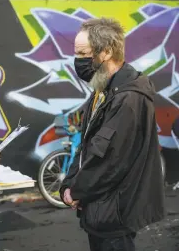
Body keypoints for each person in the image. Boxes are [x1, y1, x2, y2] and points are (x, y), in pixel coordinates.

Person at [59, 18, 165, 251]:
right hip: (100, 209)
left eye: (82, 53)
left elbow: (110, 162)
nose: (77, 60)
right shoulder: (103, 90)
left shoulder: (128, 99)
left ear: (106, 51)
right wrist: (69, 183)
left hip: (114, 213)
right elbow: (87, 145)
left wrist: (76, 191)